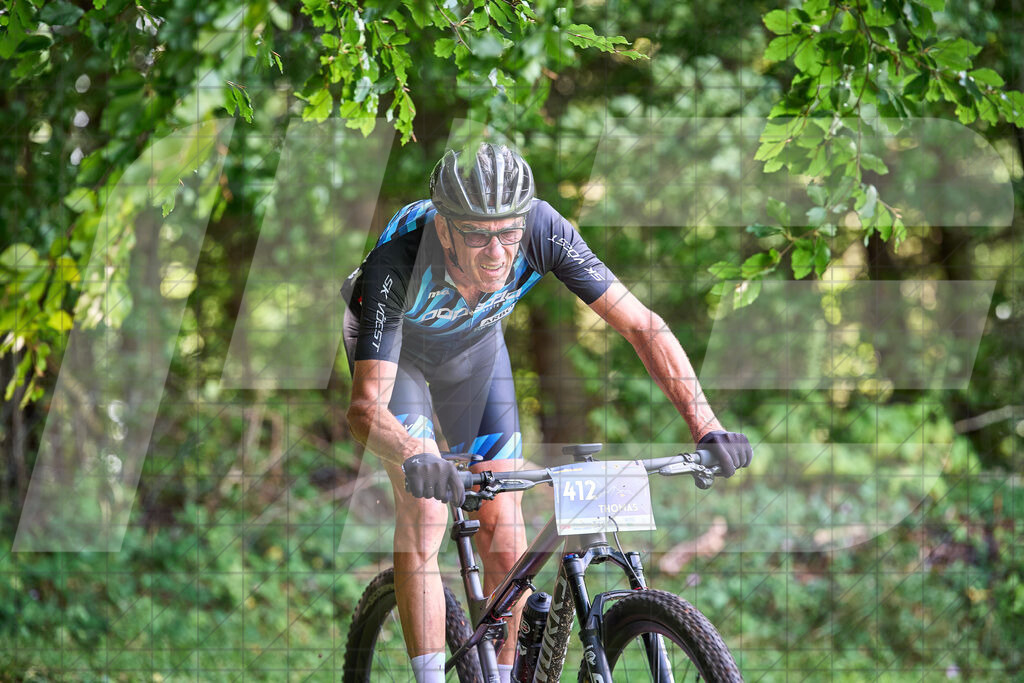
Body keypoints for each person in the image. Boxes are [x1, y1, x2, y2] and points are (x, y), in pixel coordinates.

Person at [343, 142, 752, 683]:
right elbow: (365, 409)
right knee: (427, 511)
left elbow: (640, 325)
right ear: (444, 230)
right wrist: (419, 454)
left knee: (505, 531)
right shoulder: (395, 264)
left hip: (473, 354)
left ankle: (506, 673)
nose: (497, 251)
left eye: (509, 233)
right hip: (400, 363)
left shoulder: (542, 228)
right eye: (477, 235)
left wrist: (707, 425)